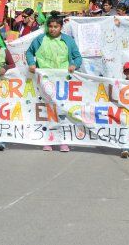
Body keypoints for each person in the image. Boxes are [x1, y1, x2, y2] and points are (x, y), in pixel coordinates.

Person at [25, 12, 82, 152]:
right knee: (48, 109)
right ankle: (48, 139)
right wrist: (32, 63)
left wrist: (74, 65)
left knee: (62, 110)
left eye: (56, 26)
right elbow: (29, 52)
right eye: (50, 26)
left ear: (61, 27)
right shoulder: (40, 39)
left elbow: (78, 57)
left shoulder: (68, 41)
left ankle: (63, 140)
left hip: (62, 80)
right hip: (44, 79)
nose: (52, 29)